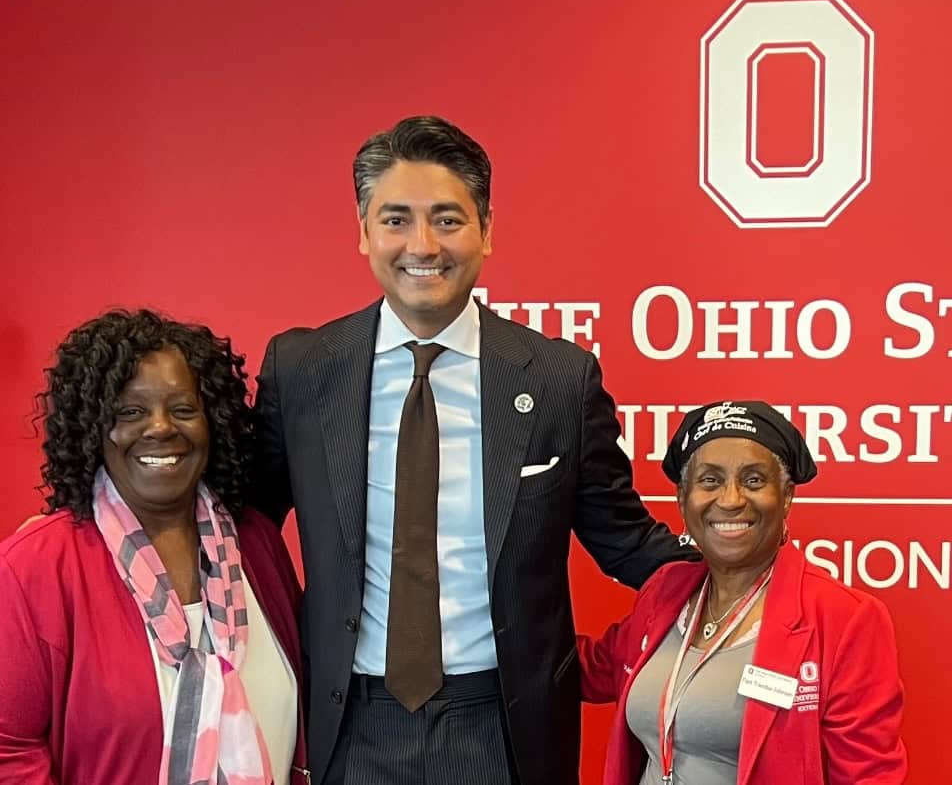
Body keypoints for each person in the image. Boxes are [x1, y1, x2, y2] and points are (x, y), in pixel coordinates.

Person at [252, 115, 698, 785]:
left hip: (503, 724)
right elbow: (242, 529)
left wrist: (753, 581)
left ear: (487, 230)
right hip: (349, 720)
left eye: (449, 220)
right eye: (396, 219)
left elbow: (625, 542)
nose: (422, 245)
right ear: (364, 230)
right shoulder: (303, 369)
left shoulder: (556, 380)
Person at [0, 310, 308, 785]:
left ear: (213, 421)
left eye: (183, 409)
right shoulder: (36, 566)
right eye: (130, 412)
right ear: (93, 427)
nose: (161, 428)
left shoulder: (256, 543)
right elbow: (9, 752)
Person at [578, 400, 908, 784]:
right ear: (683, 500)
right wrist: (496, 626)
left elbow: (870, 776)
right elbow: (587, 669)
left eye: (753, 480)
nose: (731, 499)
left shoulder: (844, 618)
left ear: (786, 497)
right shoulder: (664, 592)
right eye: (709, 481)